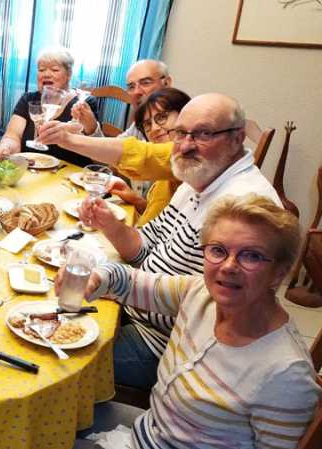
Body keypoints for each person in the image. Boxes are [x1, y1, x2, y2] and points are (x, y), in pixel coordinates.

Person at [46, 93, 282, 391]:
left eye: (204, 134)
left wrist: (113, 282)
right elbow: (144, 248)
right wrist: (110, 224)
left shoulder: (244, 207)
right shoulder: (199, 179)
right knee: (39, 307)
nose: (184, 146)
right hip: (133, 312)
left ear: (237, 139)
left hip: (167, 347)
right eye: (181, 133)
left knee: (49, 361)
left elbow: (208, 307)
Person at [67, 194, 321, 449]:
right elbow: (130, 281)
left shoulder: (286, 376)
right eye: (218, 250)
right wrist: (96, 278)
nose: (229, 266)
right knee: (39, 418)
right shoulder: (201, 293)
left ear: (280, 272)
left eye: (251, 256)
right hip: (146, 433)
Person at [0, 47, 102, 167]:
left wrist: (88, 127)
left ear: (69, 74)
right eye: (41, 70)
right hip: (31, 170)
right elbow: (13, 136)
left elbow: (95, 149)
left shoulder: (83, 103)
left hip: (69, 174)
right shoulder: (28, 99)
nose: (46, 74)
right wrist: (6, 147)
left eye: (54, 70)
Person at [105, 87, 190, 224]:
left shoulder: (186, 156)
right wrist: (136, 200)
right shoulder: (162, 176)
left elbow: (133, 152)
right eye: (148, 124)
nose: (155, 129)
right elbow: (159, 218)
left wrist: (68, 139)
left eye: (162, 117)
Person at [119, 59, 173, 139]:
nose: (136, 92)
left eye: (145, 83)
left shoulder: (183, 123)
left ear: (166, 83)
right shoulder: (141, 120)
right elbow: (117, 144)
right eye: (131, 87)